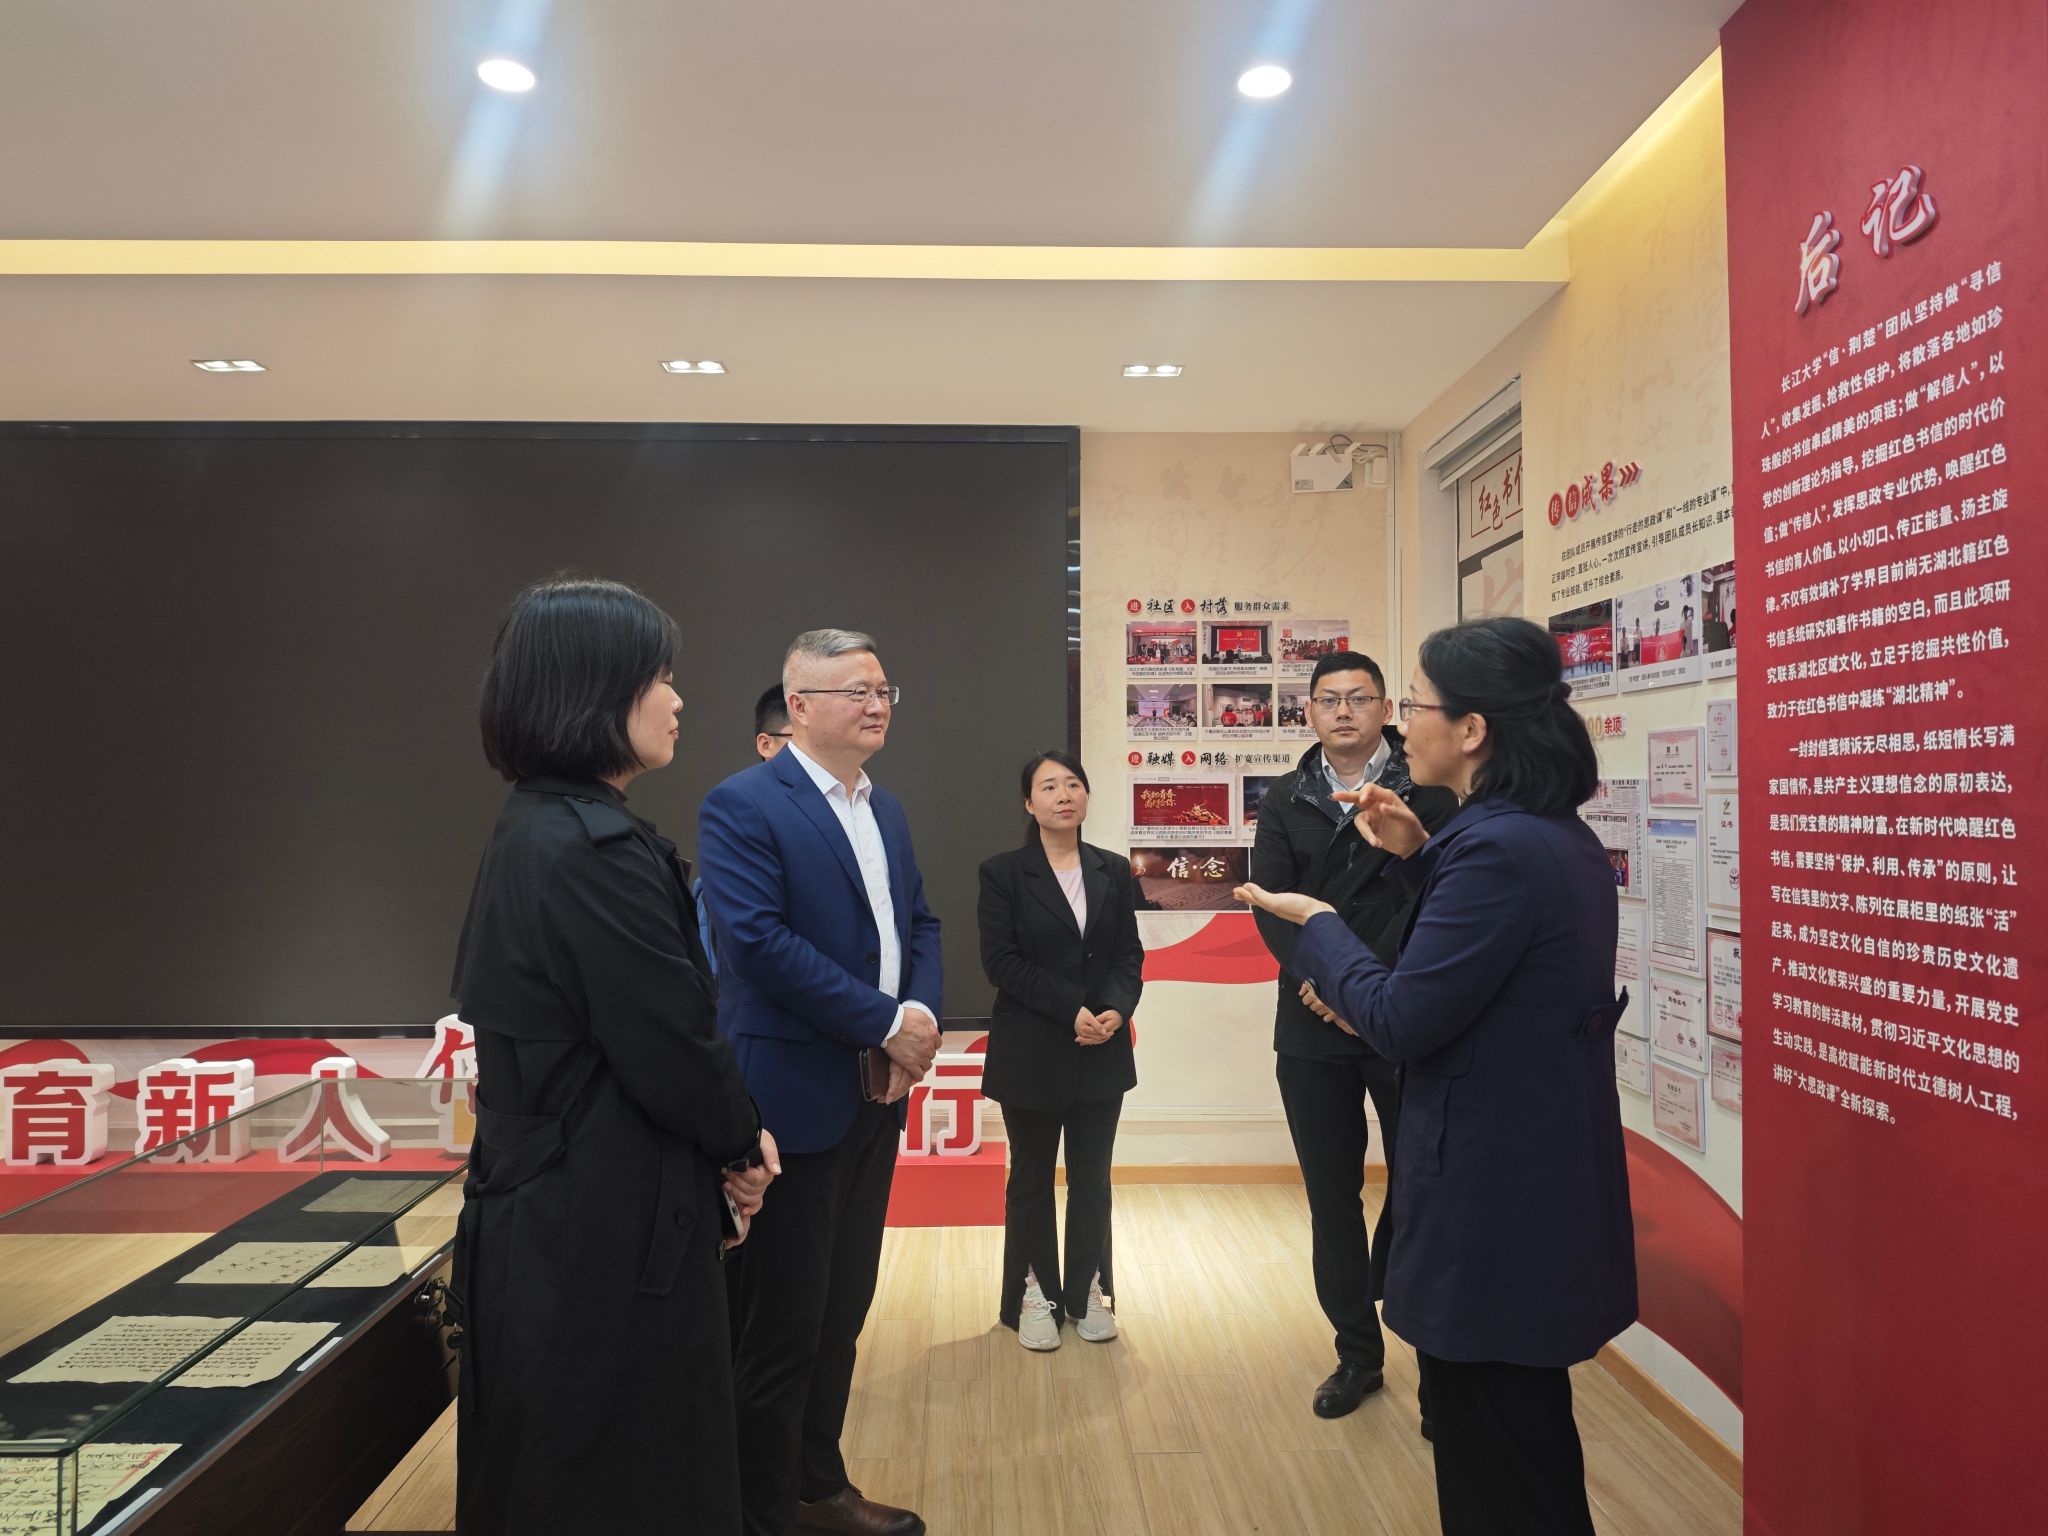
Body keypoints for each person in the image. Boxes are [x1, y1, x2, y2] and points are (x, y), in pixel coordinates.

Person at [1237, 615, 1634, 1536]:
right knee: (1514, 1446)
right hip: (1529, 1176)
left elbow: (1404, 1019)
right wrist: (1419, 857)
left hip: (1493, 1193)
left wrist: (1321, 925)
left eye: (1411, 704)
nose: (1399, 723)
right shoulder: (1538, 834)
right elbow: (1487, 954)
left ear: (1473, 729)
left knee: (1498, 1459)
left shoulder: (1497, 847)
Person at [450, 576, 778, 1536]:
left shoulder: (537, 826)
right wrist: (742, 1144)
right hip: (602, 1218)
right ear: (591, 691)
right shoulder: (592, 849)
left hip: (559, 1210)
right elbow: (670, 1040)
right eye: (656, 677)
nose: (677, 699)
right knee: (625, 1468)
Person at [698, 628, 943, 1536]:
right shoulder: (743, 804)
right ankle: (756, 1511)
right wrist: (884, 1022)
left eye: (883, 690)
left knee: (841, 1310)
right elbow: (757, 945)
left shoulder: (886, 808)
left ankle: (815, 1487)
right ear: (798, 707)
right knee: (780, 1327)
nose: (877, 705)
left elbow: (920, 923)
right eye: (855, 692)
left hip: (874, 1098)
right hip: (791, 1103)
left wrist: (916, 1019)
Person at [1248, 651, 1458, 1420]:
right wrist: (1328, 985)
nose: (1343, 711)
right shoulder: (1285, 797)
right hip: (1313, 1020)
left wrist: (1377, 989)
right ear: (1308, 711)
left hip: (1407, 1016)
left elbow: (1437, 899)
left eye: (1359, 698)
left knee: (1425, 1193)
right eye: (1329, 699)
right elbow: (1274, 906)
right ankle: (1357, 1356)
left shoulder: (1428, 788)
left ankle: (1439, 1367)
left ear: (1385, 710)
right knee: (1331, 1200)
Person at [977, 750, 1142, 1351]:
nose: (1063, 794)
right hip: (1032, 1050)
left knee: (1093, 1179)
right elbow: (1002, 963)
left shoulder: (1113, 870)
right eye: (1048, 786)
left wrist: (1116, 1009)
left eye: (1073, 783)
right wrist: (1072, 1007)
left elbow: (1127, 954)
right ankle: (1034, 1294)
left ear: (1086, 795)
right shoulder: (1002, 873)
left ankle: (1087, 1291)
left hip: (1101, 1048)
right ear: (1029, 803)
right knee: (1030, 1179)